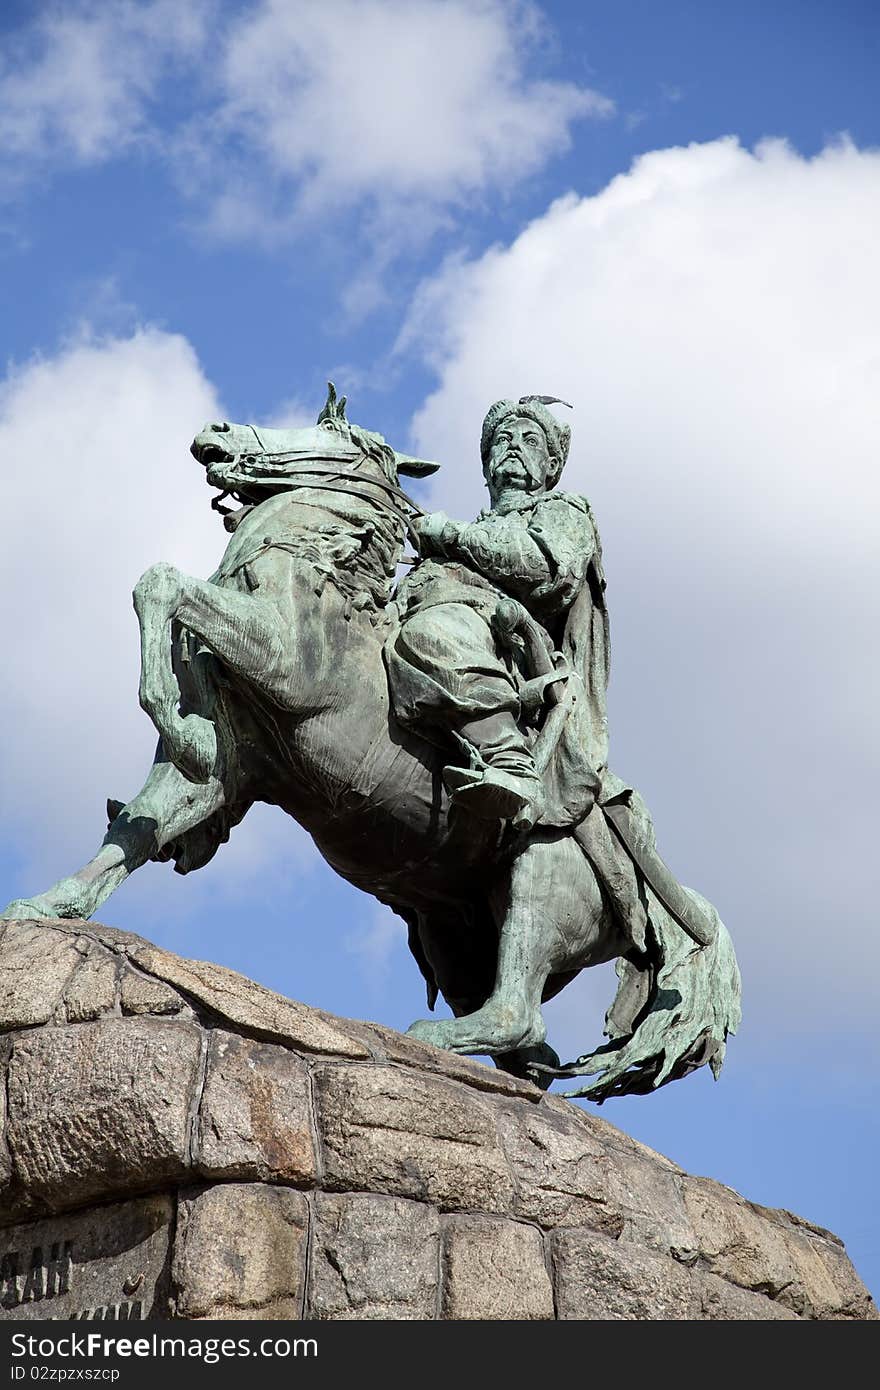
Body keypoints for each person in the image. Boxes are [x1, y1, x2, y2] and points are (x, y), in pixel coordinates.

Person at [386, 396, 609, 832]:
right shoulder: (467, 530)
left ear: (550, 466)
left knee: (435, 634)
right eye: (502, 440)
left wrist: (452, 535)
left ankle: (510, 760)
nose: (513, 447)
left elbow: (547, 568)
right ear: (487, 464)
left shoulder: (564, 510)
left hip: (511, 641)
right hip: (440, 615)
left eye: (530, 441)